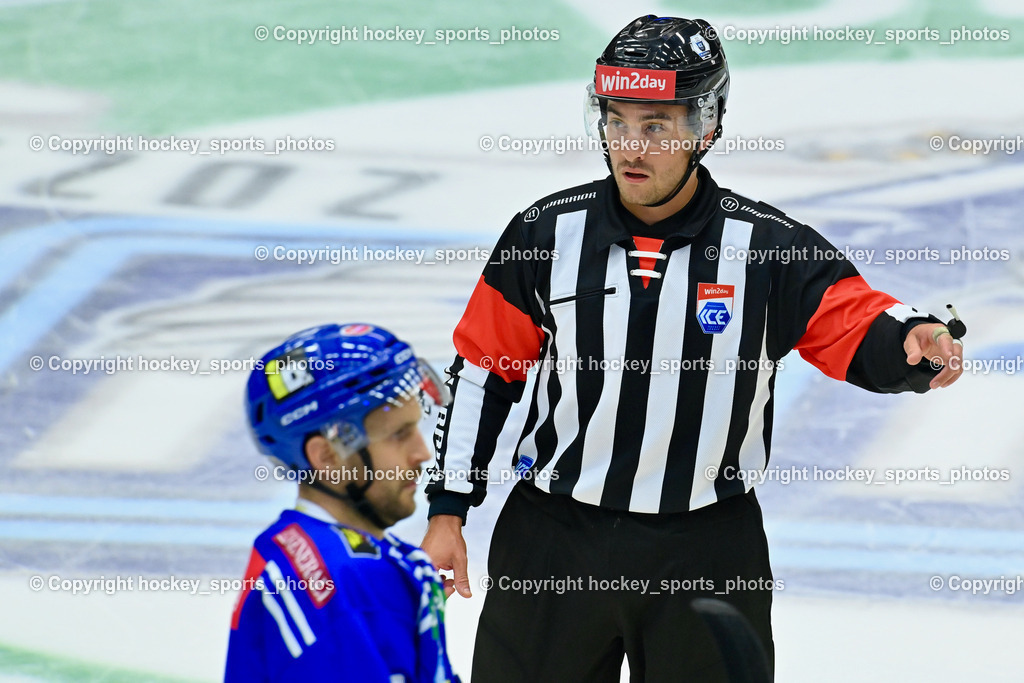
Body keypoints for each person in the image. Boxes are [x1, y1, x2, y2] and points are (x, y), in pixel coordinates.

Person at [421, 15, 964, 683]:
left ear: (705, 128)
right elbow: (484, 371)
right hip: (552, 545)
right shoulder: (544, 234)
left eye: (656, 126)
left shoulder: (767, 248)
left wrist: (910, 339)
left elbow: (857, 322)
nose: (630, 146)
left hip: (708, 549)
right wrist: (447, 509)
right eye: (617, 122)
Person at [225, 323, 460, 682]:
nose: (422, 453)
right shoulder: (344, 586)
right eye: (399, 435)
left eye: (415, 428)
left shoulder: (296, 549)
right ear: (328, 456)